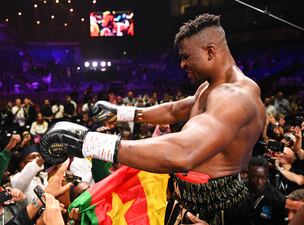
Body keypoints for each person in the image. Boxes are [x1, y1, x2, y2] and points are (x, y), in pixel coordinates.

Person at [39, 13, 265, 224]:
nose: (182, 64)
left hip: (217, 210)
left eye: (186, 57)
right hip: (185, 201)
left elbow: (184, 153)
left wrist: (87, 143)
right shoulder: (209, 86)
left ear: (210, 51)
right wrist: (119, 112)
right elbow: (174, 111)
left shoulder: (235, 97)